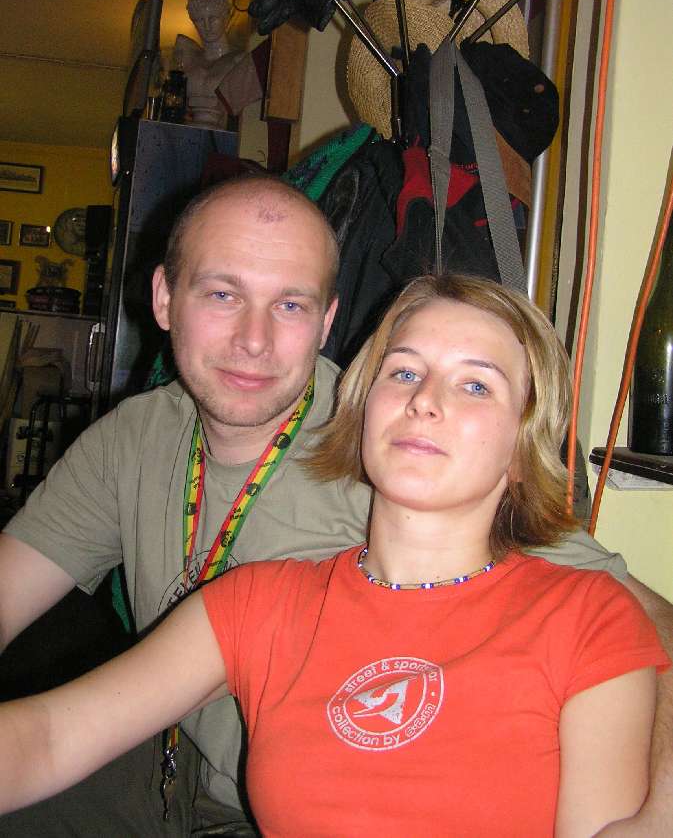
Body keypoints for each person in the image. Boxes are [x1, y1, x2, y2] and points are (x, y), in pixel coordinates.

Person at [0, 176, 670, 836]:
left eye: (290, 304)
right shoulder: (142, 450)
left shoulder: (417, 459)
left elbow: (640, 629)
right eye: (223, 294)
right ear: (164, 298)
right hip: (174, 764)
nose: (253, 339)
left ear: (326, 322)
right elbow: (48, 731)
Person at [173, 0, 260, 127]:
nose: (207, 26)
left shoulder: (240, 61)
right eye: (200, 20)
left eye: (213, 18)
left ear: (226, 18)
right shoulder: (188, 61)